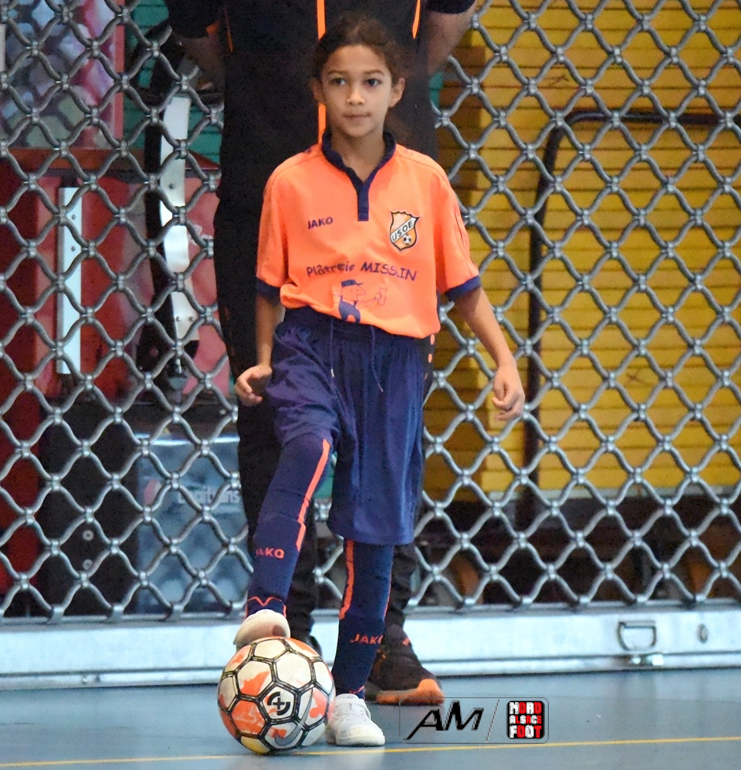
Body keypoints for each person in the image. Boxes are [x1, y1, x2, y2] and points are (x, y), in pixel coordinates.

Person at [163, 0, 478, 704]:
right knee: (273, 412)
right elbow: (198, 32)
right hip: (271, 192)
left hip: (390, 206)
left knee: (391, 423)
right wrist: (276, 89)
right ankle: (286, 633)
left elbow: (444, 27)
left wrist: (369, 97)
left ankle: (383, 637)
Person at [230, 14, 524, 745]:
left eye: (370, 82)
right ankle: (266, 606)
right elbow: (267, 287)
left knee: (376, 529)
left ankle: (350, 695)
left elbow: (465, 288)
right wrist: (263, 356)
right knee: (306, 446)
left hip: (396, 364)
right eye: (339, 82)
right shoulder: (289, 181)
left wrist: (504, 358)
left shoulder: (425, 181)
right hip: (313, 346)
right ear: (318, 91)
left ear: (398, 90)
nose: (355, 97)